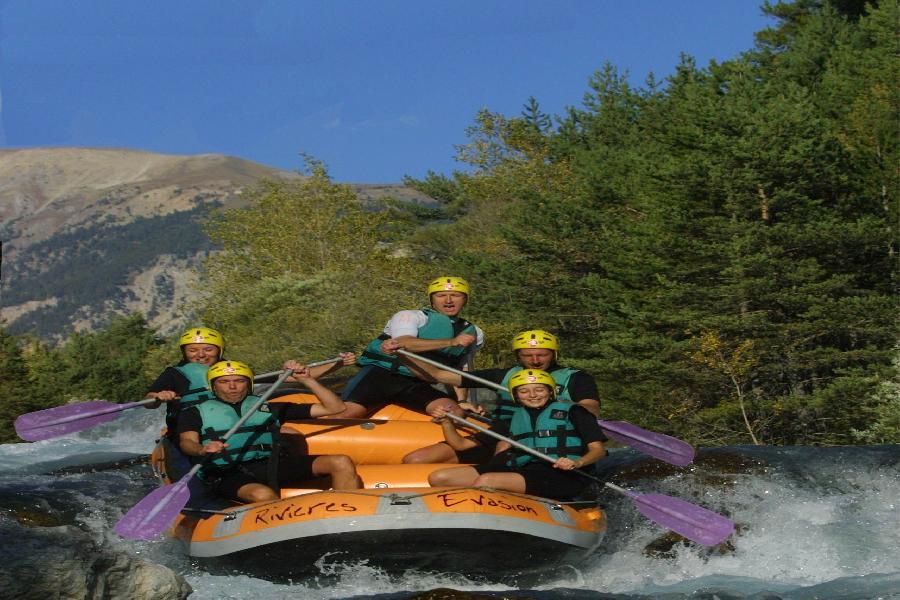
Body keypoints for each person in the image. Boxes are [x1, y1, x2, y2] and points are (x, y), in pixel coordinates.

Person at [400, 329, 601, 464]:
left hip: (545, 441)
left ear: (554, 354)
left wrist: (559, 404)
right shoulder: (502, 376)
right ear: (518, 356)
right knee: (417, 459)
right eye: (528, 355)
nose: (535, 360)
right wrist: (401, 354)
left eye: (542, 355)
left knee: (503, 454)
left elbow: (590, 409)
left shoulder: (575, 378)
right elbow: (437, 375)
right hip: (500, 432)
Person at [177, 359, 361, 503]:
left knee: (340, 462)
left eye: (239, 381)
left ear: (248, 384)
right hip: (226, 473)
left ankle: (351, 516)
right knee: (262, 494)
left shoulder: (268, 407)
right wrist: (202, 449)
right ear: (213, 386)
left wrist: (307, 379)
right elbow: (187, 442)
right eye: (224, 382)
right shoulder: (194, 412)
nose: (232, 386)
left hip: (271, 465)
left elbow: (335, 408)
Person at [426, 369, 607, 502]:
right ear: (516, 395)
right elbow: (461, 445)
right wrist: (447, 422)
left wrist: (577, 462)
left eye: (539, 390)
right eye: (524, 391)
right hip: (525, 471)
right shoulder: (512, 419)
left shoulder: (575, 412)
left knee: (487, 480)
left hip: (564, 476)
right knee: (440, 478)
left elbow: (598, 450)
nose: (533, 395)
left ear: (550, 391)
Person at [334, 276, 484, 419]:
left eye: (456, 295)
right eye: (441, 295)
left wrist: (462, 401)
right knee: (346, 414)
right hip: (381, 376)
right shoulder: (410, 316)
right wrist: (451, 342)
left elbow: (461, 370)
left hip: (417, 384)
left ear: (465, 300)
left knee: (454, 412)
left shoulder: (474, 333)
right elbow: (403, 342)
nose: (449, 300)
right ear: (432, 300)